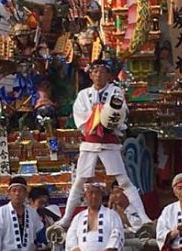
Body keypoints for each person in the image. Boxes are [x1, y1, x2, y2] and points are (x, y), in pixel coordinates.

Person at [57, 59, 151, 228]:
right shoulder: (83, 94)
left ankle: (144, 217)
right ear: (90, 74)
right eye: (95, 71)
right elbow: (81, 118)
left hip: (109, 141)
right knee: (79, 181)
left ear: (108, 74)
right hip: (90, 141)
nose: (98, 74)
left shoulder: (116, 91)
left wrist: (106, 120)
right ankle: (66, 218)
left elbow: (121, 113)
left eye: (102, 71)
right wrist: (96, 119)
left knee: (123, 180)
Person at [0, 177, 44, 251]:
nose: (17, 193)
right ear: (9, 193)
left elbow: (40, 233)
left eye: (20, 191)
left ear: (25, 193)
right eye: (14, 190)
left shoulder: (32, 213)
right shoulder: (1, 212)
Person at [66, 180, 124, 251]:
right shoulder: (78, 217)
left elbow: (117, 232)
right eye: (91, 193)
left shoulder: (112, 215)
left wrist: (110, 248)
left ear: (101, 196)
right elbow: (71, 236)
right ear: (85, 196)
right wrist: (75, 249)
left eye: (97, 193)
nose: (94, 196)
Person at [108, 180, 157, 251]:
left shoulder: (135, 207)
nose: (114, 196)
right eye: (112, 193)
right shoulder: (111, 211)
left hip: (139, 237)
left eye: (117, 192)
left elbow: (136, 228)